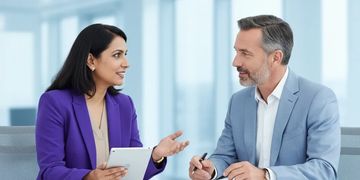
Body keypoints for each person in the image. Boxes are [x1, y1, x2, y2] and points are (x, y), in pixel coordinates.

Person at [189, 15, 340, 180]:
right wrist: (210, 168)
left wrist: (265, 175)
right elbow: (225, 156)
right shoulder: (238, 102)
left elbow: (324, 170)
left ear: (276, 57)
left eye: (245, 54)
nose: (235, 62)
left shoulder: (318, 99)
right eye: (237, 52)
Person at [36, 23, 189, 180]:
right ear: (91, 60)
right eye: (117, 55)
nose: (126, 63)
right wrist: (89, 177)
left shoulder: (124, 105)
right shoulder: (55, 102)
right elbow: (50, 171)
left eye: (125, 54)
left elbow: (133, 171)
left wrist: (156, 155)